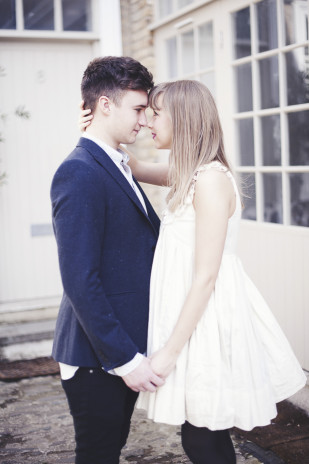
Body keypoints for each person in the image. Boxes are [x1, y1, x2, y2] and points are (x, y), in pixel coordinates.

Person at [79, 79, 307, 464]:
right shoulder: (188, 172)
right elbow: (130, 166)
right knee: (201, 433)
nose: (148, 122)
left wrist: (168, 354)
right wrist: (95, 128)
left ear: (183, 119)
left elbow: (206, 276)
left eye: (156, 114)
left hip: (208, 322)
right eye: (145, 113)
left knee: (202, 437)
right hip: (192, 320)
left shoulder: (212, 180)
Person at [50, 56, 166, 464]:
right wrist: (125, 359)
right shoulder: (79, 172)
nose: (143, 120)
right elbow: (80, 280)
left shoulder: (115, 163)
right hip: (97, 357)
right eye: (137, 109)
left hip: (118, 351)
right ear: (104, 106)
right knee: (98, 455)